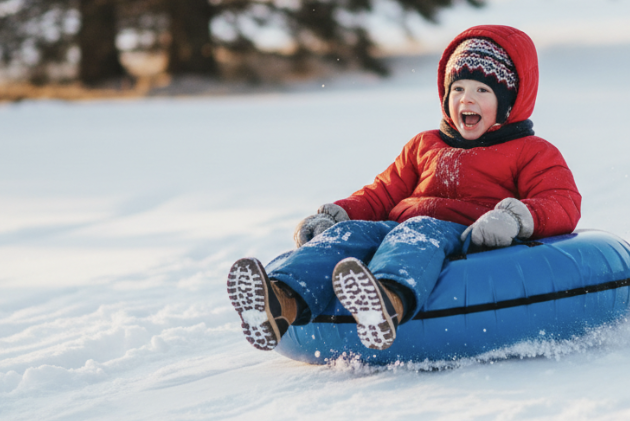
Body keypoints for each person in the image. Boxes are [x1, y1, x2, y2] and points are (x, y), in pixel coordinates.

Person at [227, 24, 581, 352]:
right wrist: (339, 215)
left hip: (463, 235)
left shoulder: (530, 151)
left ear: (510, 101)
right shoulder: (424, 144)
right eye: (457, 89)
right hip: (397, 227)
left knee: (416, 232)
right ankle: (280, 301)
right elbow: (383, 192)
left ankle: (385, 303)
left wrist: (515, 218)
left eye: (482, 90)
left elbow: (561, 201)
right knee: (351, 234)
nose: (466, 100)